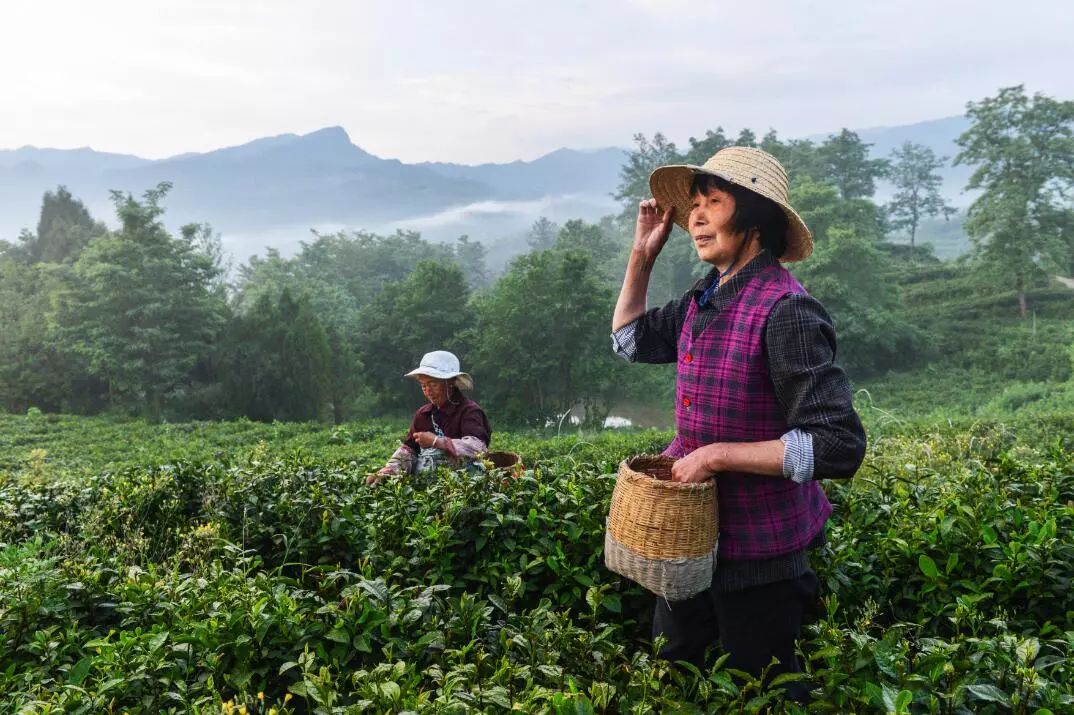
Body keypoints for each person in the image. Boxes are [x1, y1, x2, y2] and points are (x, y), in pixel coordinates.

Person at [611, 146, 866, 699]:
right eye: (694, 204)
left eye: (714, 202)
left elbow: (838, 444)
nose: (696, 217)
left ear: (753, 217)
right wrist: (641, 256)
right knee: (674, 671)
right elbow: (628, 340)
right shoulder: (705, 296)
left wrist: (716, 454)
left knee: (763, 689)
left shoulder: (786, 310)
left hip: (759, 556)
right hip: (691, 539)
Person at [367, 350, 491, 484]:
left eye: (433, 384)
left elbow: (477, 448)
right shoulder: (423, 414)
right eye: (424, 386)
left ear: (450, 382)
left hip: (465, 487)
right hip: (428, 488)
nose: (428, 391)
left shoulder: (469, 411)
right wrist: (388, 470)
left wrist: (437, 441)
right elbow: (409, 450)